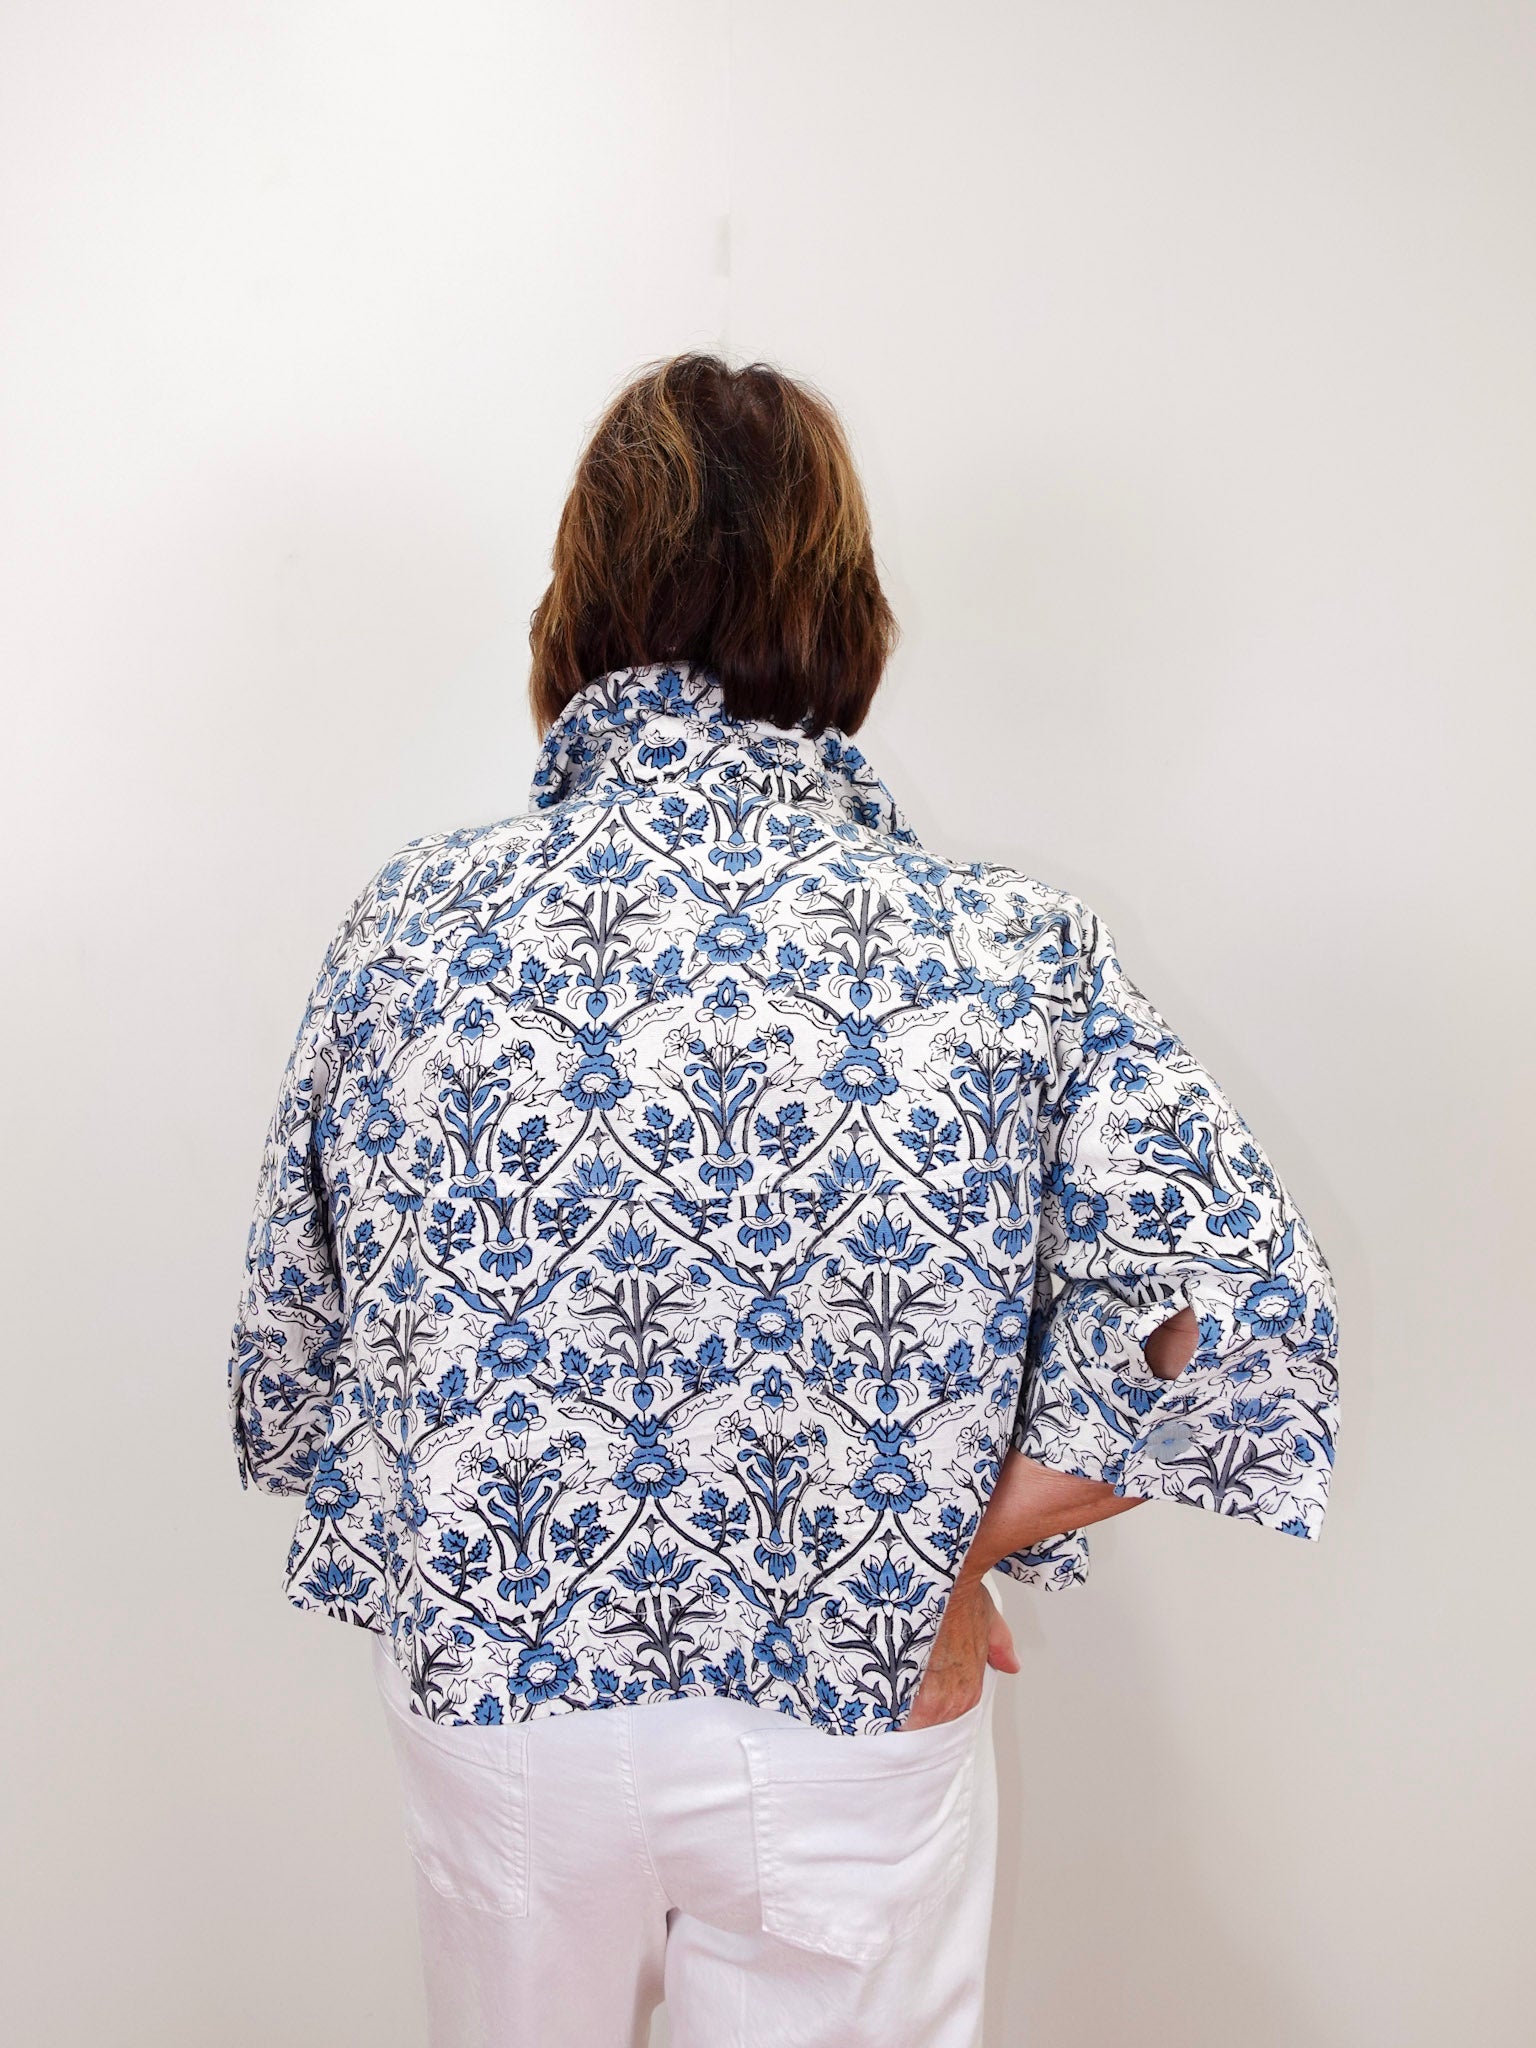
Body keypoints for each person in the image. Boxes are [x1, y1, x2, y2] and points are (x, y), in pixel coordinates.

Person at [230, 353, 1339, 2048]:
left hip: (506, 1709)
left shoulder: (406, 933)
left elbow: (302, 1354)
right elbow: (1229, 1316)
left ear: (579, 599)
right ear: (844, 607)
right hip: (852, 1706)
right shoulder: (1002, 946)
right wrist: (932, 1539)